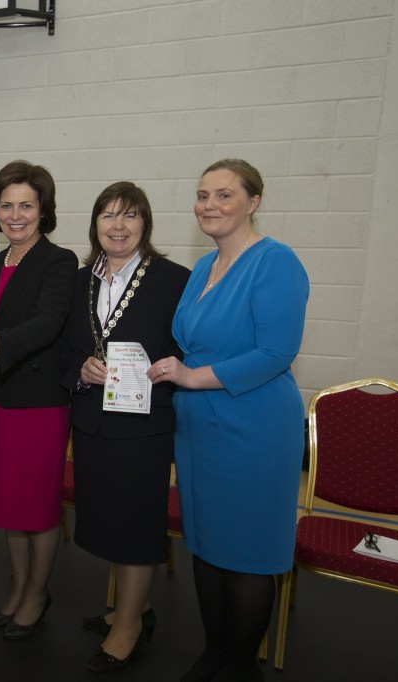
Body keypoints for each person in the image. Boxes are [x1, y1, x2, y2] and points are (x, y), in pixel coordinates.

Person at [149, 159, 308, 682]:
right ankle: (214, 653)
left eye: (223, 195)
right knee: (208, 544)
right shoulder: (202, 268)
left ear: (253, 202)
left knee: (248, 552)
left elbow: (276, 352)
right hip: (199, 429)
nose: (209, 206)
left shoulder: (275, 262)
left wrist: (193, 378)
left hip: (254, 426)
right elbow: (187, 342)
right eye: (201, 196)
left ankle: (241, 667)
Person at [63, 182, 190, 671]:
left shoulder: (173, 279)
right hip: (93, 418)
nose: (118, 226)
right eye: (108, 216)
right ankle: (137, 606)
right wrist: (80, 368)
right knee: (112, 518)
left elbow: (191, 345)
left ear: (146, 224)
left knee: (136, 522)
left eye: (130, 216)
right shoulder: (78, 281)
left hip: (145, 421)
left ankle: (129, 626)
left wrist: (169, 364)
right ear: (94, 223)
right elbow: (65, 345)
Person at [0, 161, 77, 640]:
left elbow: (48, 322)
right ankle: (19, 585)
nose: (16, 214)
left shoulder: (59, 261)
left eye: (27, 205)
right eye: (7, 205)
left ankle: (38, 593)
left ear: (43, 210)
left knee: (38, 507)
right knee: (8, 505)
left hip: (39, 405)